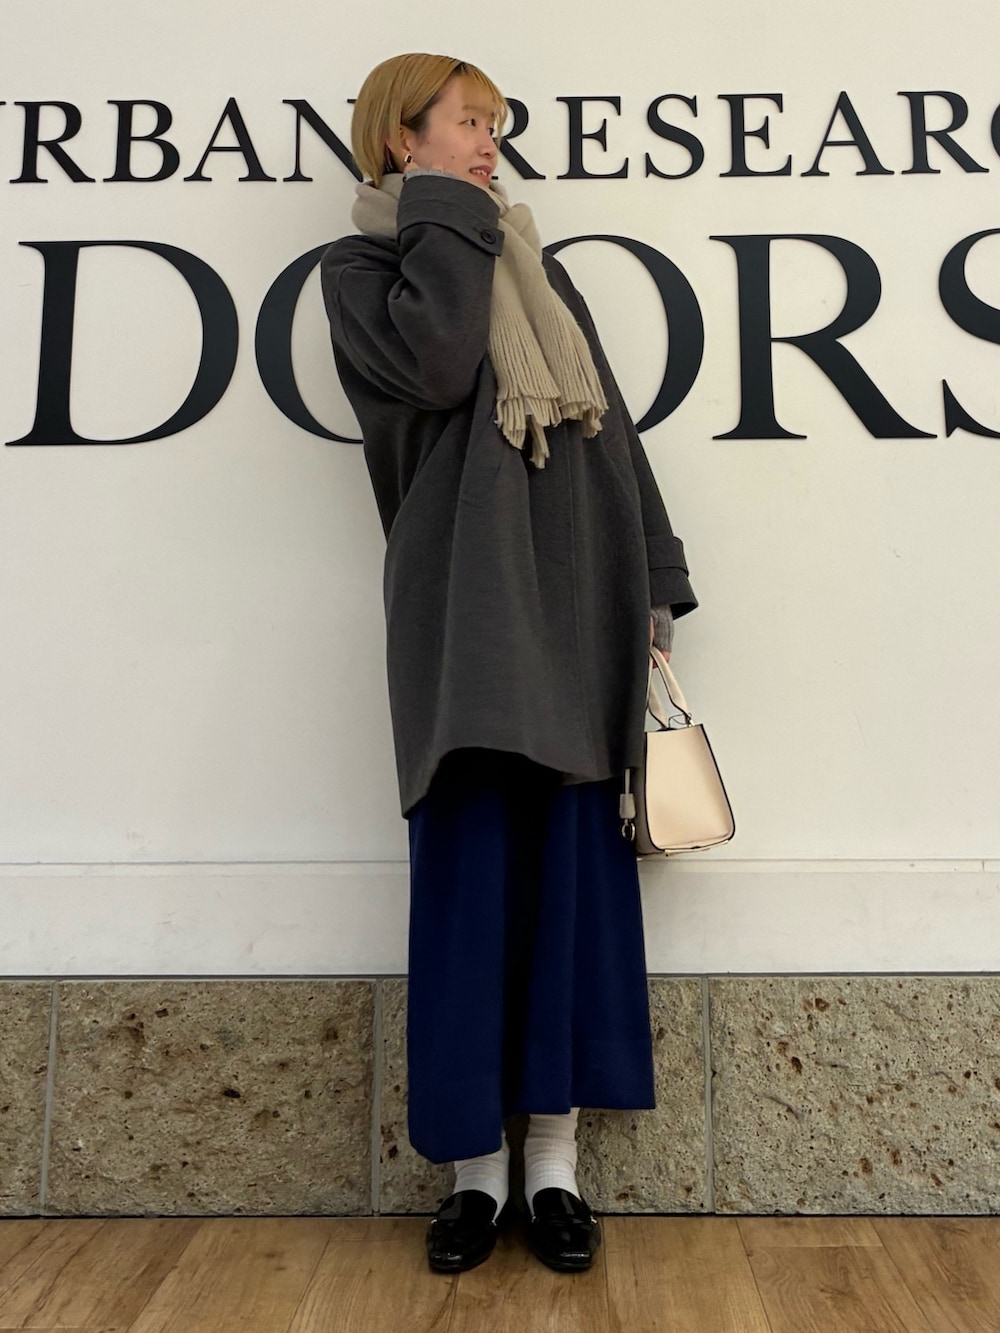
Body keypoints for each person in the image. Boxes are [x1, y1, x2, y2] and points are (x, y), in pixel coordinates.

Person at [320, 52, 697, 1274]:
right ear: (402, 139)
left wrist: (657, 575)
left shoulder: (537, 266)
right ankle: (474, 1176)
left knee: (572, 887)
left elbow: (609, 428)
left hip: (582, 601)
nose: (491, 143)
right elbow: (436, 367)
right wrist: (445, 212)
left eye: (495, 125)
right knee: (471, 879)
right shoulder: (367, 271)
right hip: (467, 618)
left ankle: (552, 1167)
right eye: (468, 122)